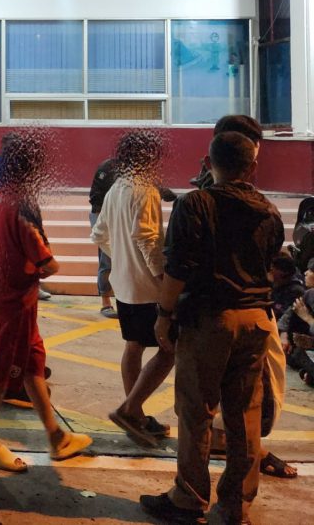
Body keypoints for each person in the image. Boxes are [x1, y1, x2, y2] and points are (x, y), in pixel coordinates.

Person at [141, 132, 283, 525]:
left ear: (208, 163)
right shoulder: (269, 211)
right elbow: (270, 264)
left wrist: (164, 314)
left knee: (196, 411)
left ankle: (188, 498)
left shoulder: (195, 204)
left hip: (211, 321)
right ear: (252, 167)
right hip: (256, 319)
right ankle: (235, 505)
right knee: (245, 414)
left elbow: (178, 267)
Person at [0, 132, 91, 472]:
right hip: (16, 299)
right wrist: (45, 267)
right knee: (3, 365)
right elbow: (47, 263)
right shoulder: (22, 206)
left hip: (8, 291)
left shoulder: (1, 196)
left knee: (32, 361)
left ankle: (56, 436)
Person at [91, 131, 174, 447]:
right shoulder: (145, 190)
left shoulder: (116, 188)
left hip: (124, 285)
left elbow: (99, 234)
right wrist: (163, 280)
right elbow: (148, 240)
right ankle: (130, 409)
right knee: (170, 349)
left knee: (134, 345)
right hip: (148, 288)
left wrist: (121, 261)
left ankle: (134, 412)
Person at [0, 136, 52, 301]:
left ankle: (33, 286)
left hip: (23, 212)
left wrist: (33, 214)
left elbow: (30, 188)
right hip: (2, 214)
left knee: (29, 249)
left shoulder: (23, 165)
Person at [89, 156, 119, 318]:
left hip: (122, 216)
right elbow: (96, 197)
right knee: (107, 258)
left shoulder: (136, 170)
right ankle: (105, 301)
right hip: (102, 214)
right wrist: (103, 221)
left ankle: (124, 299)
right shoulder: (107, 168)